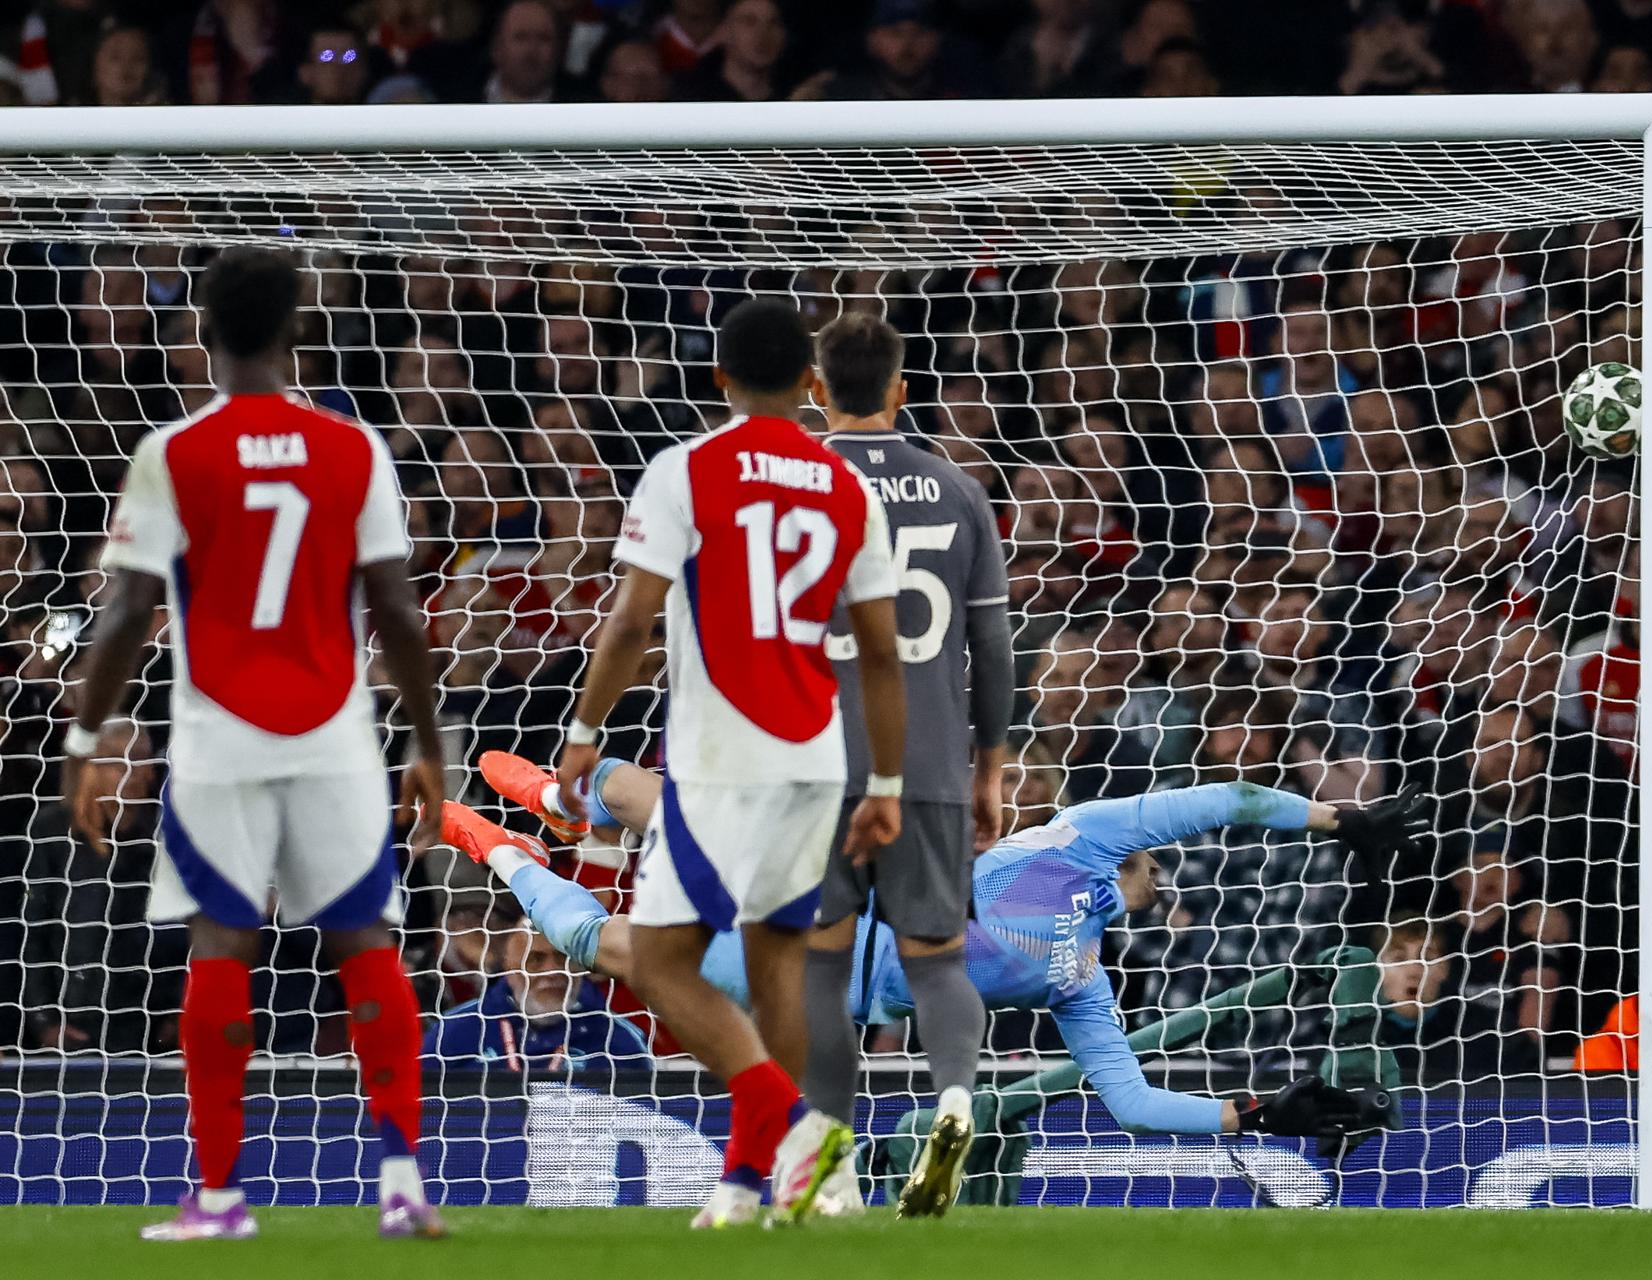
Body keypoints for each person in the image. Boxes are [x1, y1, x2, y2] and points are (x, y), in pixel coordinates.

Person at [437, 762, 1428, 1179]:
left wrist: (1262, 1111)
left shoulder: (1082, 978)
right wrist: (1340, 819)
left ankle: (494, 845)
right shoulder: (1085, 838)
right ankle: (567, 797)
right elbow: (1226, 797)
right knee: (672, 804)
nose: (1157, 875)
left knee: (609, 949)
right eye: (1152, 866)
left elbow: (1126, 1101)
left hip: (808, 973)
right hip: (828, 888)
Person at [60, 247, 446, 1241]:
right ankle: (402, 1180)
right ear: (296, 332)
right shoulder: (355, 449)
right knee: (365, 940)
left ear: (202, 333)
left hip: (217, 737)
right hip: (335, 733)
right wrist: (426, 737)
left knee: (222, 945)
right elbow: (400, 611)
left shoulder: (171, 452)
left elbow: (124, 612)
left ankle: (223, 1194)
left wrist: (85, 734)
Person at [550, 299, 907, 1229]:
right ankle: (748, 1187)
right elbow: (879, 649)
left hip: (719, 759)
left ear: (719, 378)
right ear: (812, 385)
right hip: (816, 758)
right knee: (777, 970)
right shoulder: (844, 488)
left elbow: (631, 619)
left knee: (661, 964)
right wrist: (888, 786)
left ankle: (801, 1135)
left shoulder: (687, 469)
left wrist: (588, 729)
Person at [800, 313, 1013, 1218]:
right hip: (924, 757)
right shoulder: (959, 487)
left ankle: (830, 1163)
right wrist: (991, 767)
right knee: (935, 961)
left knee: (817, 966)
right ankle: (956, 1102)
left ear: (818, 391)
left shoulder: (796, 484)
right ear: (901, 390)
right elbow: (993, 643)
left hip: (809, 760)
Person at [419, 920, 650, 1068]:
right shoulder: (455, 1030)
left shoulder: (617, 1037)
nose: (552, 971)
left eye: (562, 958)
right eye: (536, 960)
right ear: (510, 969)